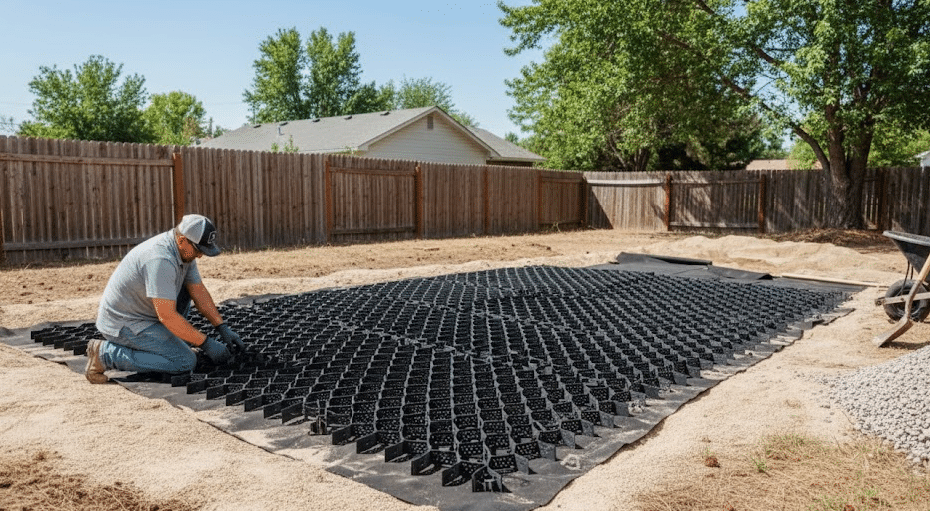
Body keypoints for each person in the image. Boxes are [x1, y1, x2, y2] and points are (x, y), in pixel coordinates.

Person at [85, 214, 244, 384]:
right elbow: (167, 316)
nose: (199, 256)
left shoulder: (183, 252)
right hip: (124, 323)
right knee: (184, 361)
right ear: (182, 240)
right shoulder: (160, 260)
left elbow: (198, 291)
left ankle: (168, 346)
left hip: (147, 314)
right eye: (198, 250)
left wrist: (221, 326)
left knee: (186, 291)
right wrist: (206, 343)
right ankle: (105, 354)